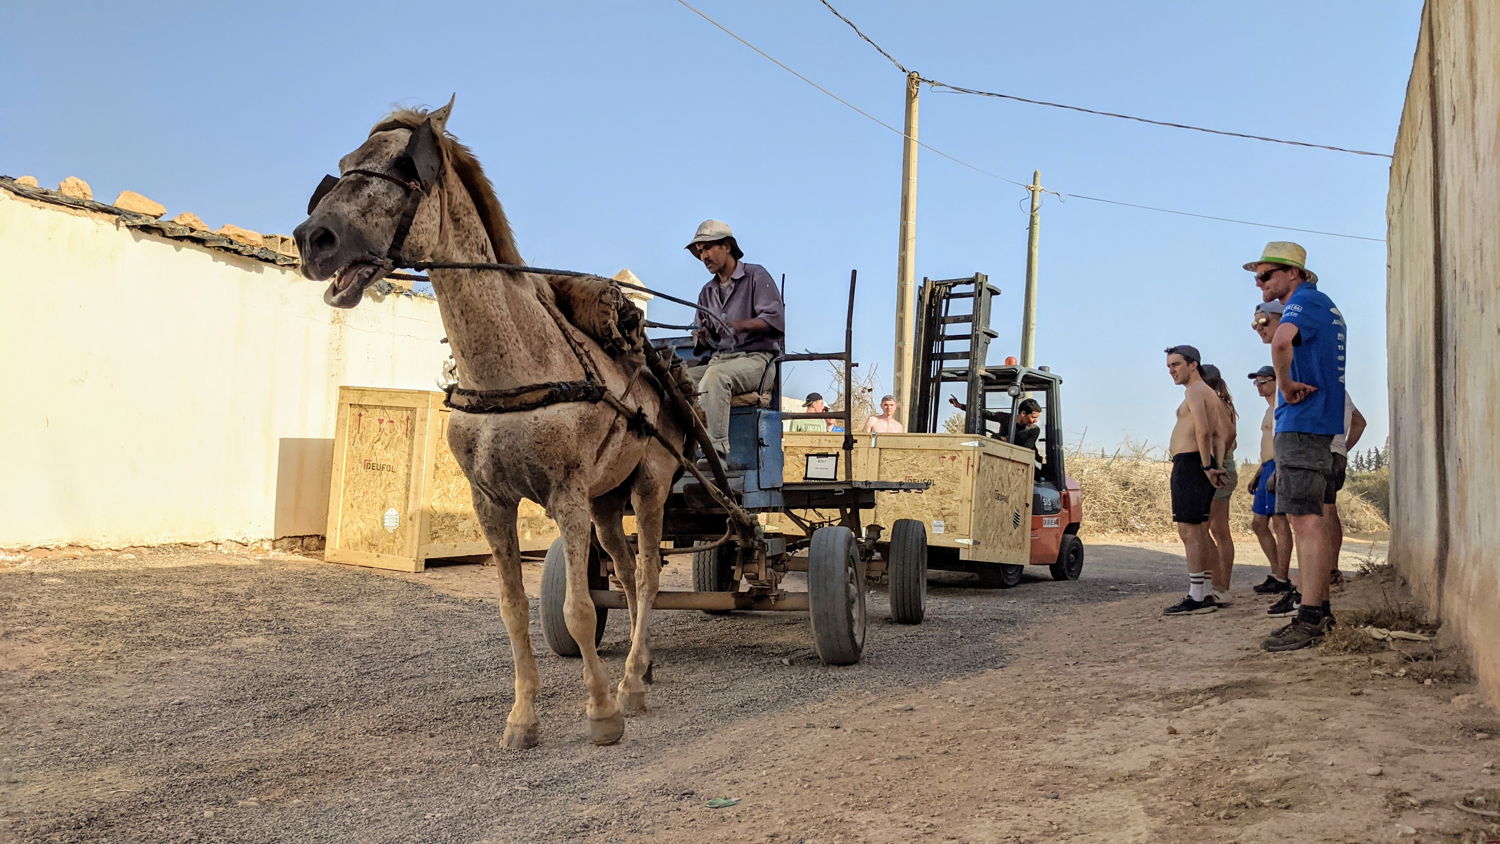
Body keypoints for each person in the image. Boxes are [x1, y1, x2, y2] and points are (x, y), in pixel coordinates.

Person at [1248, 241, 1347, 651]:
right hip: (1319, 424)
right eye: (1256, 277)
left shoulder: (1303, 302)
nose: (1259, 284)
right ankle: (1319, 609)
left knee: (1303, 522)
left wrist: (1285, 385)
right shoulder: (1323, 305)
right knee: (1314, 521)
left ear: (1294, 273)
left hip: (1303, 423)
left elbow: (1281, 343)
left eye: (1266, 275)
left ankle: (1309, 618)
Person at [683, 220, 785, 467]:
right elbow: (699, 336)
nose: (704, 256)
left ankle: (715, 453)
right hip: (720, 359)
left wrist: (738, 325)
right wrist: (703, 335)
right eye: (700, 251)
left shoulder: (756, 276)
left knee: (716, 377)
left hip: (756, 361)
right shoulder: (707, 292)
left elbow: (774, 319)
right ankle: (678, 453)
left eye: (708, 248)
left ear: (727, 246)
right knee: (675, 378)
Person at [1162, 345, 1230, 616]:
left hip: (1192, 464)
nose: (1172, 371)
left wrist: (1205, 465)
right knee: (1195, 531)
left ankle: (1197, 596)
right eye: (1169, 366)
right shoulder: (1210, 394)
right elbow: (1221, 435)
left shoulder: (1195, 391)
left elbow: (1204, 431)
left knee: (1191, 531)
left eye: (1176, 365)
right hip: (1195, 464)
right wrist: (1217, 464)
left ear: (1193, 364)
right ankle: (1205, 592)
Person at [1245, 365, 1296, 598]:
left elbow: (1283, 441)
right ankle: (1276, 572)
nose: (1260, 385)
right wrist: (1259, 472)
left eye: (1264, 381)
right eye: (1257, 382)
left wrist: (1279, 469)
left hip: (1279, 465)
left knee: (1279, 521)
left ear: (1276, 381)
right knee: (1258, 523)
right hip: (1267, 466)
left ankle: (1282, 576)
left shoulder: (1282, 405)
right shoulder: (1268, 409)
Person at [1198, 364, 1238, 605]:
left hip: (1218, 467)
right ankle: (1220, 584)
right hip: (1225, 465)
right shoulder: (1225, 403)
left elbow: (1229, 435)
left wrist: (1217, 461)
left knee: (1214, 529)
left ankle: (1219, 585)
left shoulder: (1215, 403)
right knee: (1218, 529)